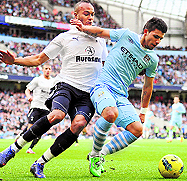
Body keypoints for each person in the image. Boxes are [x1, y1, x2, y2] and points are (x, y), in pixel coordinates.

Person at [0, 0, 108, 178]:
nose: (90, 17)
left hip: (88, 93)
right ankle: (13, 149)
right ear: (75, 16)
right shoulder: (64, 38)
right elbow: (39, 59)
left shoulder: (101, 40)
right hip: (66, 85)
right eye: (86, 13)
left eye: (92, 14)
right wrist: (14, 61)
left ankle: (39, 163)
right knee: (57, 115)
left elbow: (104, 67)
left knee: (78, 125)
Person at [71, 16, 167, 177]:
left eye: (161, 39)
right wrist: (83, 28)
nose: (158, 41)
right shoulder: (126, 35)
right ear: (146, 32)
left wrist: (143, 111)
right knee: (110, 113)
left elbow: (148, 87)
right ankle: (95, 154)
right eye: (156, 36)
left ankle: (101, 154)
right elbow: (101, 31)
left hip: (121, 95)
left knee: (137, 130)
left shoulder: (152, 59)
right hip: (102, 86)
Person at [23, 63, 53, 154]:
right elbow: (27, 89)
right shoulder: (37, 80)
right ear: (43, 70)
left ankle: (30, 148)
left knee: (41, 129)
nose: (48, 70)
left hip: (46, 109)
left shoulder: (53, 81)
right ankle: (20, 140)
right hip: (36, 107)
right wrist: (28, 97)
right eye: (46, 68)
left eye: (49, 69)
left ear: (51, 70)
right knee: (30, 128)